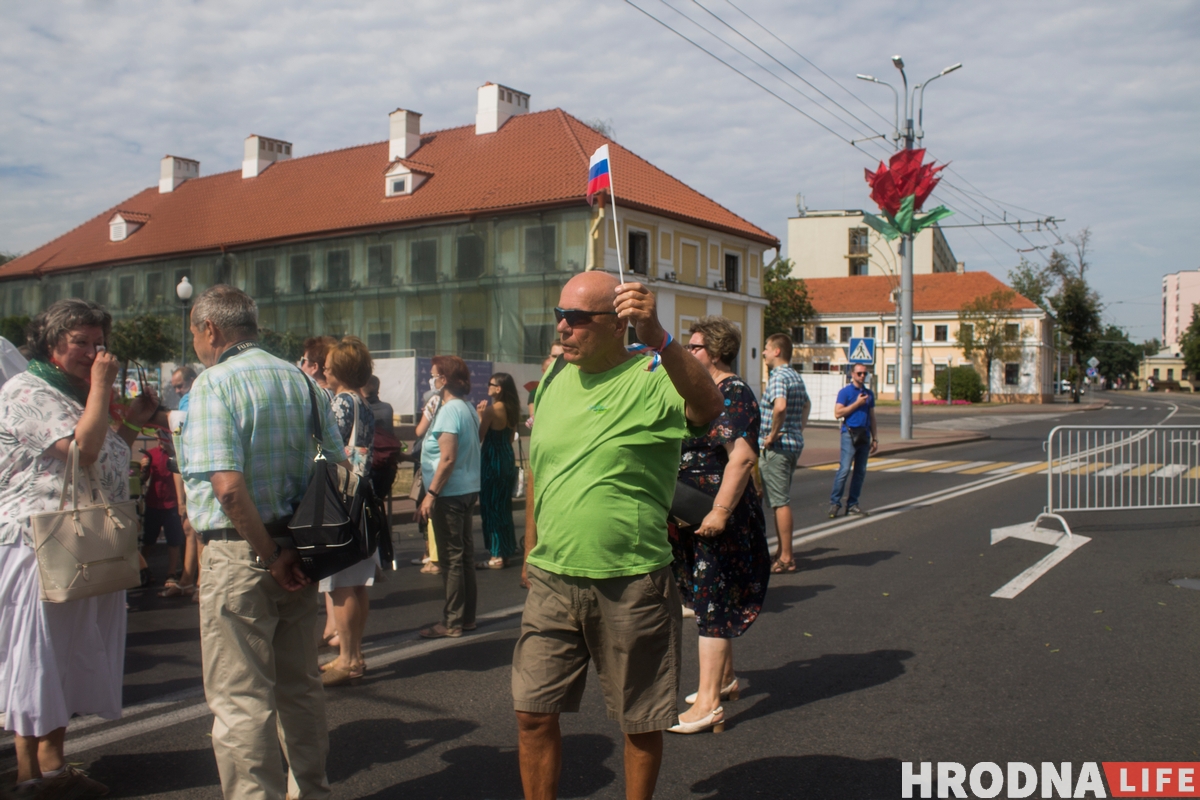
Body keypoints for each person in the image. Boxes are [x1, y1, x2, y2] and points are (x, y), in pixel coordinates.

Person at [515, 271, 723, 800]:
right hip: (554, 578)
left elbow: (708, 409)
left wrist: (662, 338)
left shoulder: (655, 376)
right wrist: (530, 548)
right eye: (559, 314)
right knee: (532, 714)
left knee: (639, 720)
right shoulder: (558, 375)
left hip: (631, 582)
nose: (562, 327)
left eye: (578, 318)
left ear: (618, 322)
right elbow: (541, 465)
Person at [180, 286, 345, 800]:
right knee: (300, 688)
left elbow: (228, 489)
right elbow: (338, 467)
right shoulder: (304, 381)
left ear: (210, 329)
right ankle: (311, 791)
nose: (196, 344)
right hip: (300, 548)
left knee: (240, 698)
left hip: (241, 550)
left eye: (194, 334)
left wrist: (269, 555)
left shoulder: (215, 384)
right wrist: (294, 546)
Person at [0, 299, 164, 798]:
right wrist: (100, 386)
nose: (94, 353)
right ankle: (31, 776)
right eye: (81, 343)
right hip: (39, 544)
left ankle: (52, 767)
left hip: (82, 541)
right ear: (51, 345)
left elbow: (102, 453)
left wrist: (132, 420)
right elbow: (82, 451)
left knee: (67, 658)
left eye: (99, 343)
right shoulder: (26, 391)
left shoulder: (71, 393)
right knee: (39, 658)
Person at [668, 317, 769, 735]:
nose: (688, 354)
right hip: (693, 513)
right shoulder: (703, 392)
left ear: (715, 351)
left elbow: (741, 456)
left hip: (715, 515)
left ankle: (708, 704)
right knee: (708, 593)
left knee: (711, 603)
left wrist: (720, 512)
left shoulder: (733, 392)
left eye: (694, 348)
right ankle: (725, 680)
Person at [318, 337, 377, 688]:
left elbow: (327, 447)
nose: (324, 369)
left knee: (341, 585)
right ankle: (355, 652)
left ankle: (349, 657)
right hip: (361, 498)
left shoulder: (341, 401)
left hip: (341, 498)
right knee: (357, 584)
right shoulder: (364, 402)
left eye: (328, 364)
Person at [416, 355, 482, 638]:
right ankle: (466, 617)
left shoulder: (449, 411)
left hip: (450, 493)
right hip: (466, 489)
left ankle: (452, 621)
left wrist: (431, 494)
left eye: (434, 375)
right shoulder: (466, 407)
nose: (432, 380)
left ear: (444, 380)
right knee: (464, 556)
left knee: (451, 559)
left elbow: (448, 457)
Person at [759, 333, 811, 574]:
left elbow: (779, 406)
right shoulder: (795, 376)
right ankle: (782, 551)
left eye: (766, 349)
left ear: (777, 351)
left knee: (779, 502)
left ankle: (786, 557)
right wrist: (797, 428)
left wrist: (772, 434)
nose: (764, 353)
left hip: (777, 447)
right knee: (781, 499)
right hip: (792, 444)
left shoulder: (778, 376)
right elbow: (806, 404)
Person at [476, 372, 520, 569]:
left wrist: (480, 416)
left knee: (490, 506)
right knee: (503, 506)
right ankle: (506, 550)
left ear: (498, 388)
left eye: (490, 383)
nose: (488, 386)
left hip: (491, 459)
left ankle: (496, 555)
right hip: (506, 457)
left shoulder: (492, 410)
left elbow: (480, 436)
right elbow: (510, 438)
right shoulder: (512, 409)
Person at [828, 364, 879, 518]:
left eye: (865, 373)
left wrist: (875, 437)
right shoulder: (845, 392)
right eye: (859, 373)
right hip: (849, 434)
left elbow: (871, 416)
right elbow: (838, 413)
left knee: (860, 472)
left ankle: (852, 504)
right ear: (852, 374)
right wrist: (857, 403)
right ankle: (835, 503)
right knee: (844, 470)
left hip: (864, 435)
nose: (862, 376)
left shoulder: (868, 393)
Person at [169, 366, 201, 601]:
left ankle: (197, 582)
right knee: (191, 528)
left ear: (192, 380)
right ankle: (189, 581)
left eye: (180, 385)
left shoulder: (190, 400)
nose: (178, 391)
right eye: (175, 388)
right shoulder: (190, 399)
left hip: (194, 472)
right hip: (190, 470)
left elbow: (181, 446)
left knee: (197, 530)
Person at [140, 444, 189, 596]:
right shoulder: (151, 453)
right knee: (148, 539)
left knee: (174, 540)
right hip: (154, 502)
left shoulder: (178, 452)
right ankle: (143, 570)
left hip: (172, 503)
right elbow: (143, 478)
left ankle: (171, 573)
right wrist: (144, 468)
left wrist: (182, 502)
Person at [526, 342, 565, 424]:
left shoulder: (576, 382)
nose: (557, 360)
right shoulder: (538, 388)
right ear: (549, 357)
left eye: (561, 356)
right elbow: (533, 414)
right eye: (554, 356)